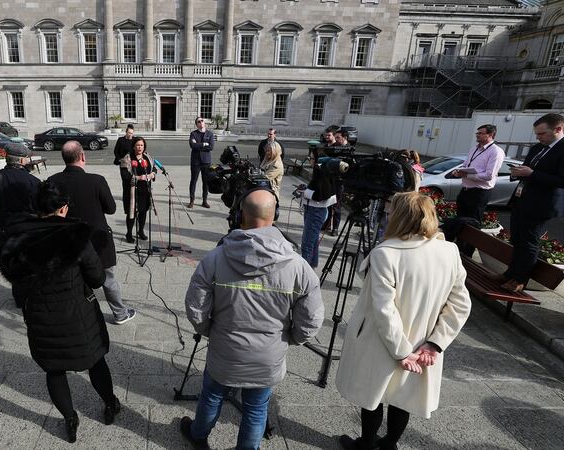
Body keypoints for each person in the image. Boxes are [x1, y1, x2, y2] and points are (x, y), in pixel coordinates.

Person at [180, 189, 325, 450]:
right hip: (268, 357)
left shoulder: (215, 258)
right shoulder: (298, 265)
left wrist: (210, 331)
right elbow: (311, 320)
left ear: (240, 215)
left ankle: (198, 436)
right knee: (256, 409)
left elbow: (196, 307)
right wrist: (289, 339)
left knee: (211, 396)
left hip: (224, 350)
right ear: (275, 215)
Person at [335, 191, 471, 450]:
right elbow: (461, 304)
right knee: (403, 396)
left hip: (382, 339)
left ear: (399, 217)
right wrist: (435, 343)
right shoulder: (449, 251)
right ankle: (389, 445)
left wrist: (401, 351)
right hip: (422, 342)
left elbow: (384, 309)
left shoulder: (386, 253)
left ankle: (365, 445)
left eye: (390, 211)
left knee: (372, 394)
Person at [0, 181, 121, 444]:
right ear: (63, 208)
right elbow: (97, 279)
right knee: (96, 361)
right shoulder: (74, 236)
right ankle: (110, 404)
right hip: (79, 315)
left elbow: (18, 290)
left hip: (41, 318)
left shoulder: (16, 238)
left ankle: (69, 418)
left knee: (54, 369)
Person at [49, 141, 137, 324]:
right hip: (97, 239)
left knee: (75, 278)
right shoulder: (96, 180)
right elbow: (111, 208)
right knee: (108, 277)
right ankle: (120, 314)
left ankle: (77, 313)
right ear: (82, 156)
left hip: (68, 240)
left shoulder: (53, 181)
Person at [498, 113, 564, 292]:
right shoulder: (538, 148)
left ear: (558, 129)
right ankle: (510, 273)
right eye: (537, 134)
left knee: (528, 242)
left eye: (542, 134)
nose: (538, 137)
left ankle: (519, 280)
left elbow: (561, 180)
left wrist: (531, 174)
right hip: (522, 199)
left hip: (542, 205)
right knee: (517, 239)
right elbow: (527, 169)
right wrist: (517, 172)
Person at [0, 142, 41, 308]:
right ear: (22, 161)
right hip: (25, 232)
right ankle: (30, 297)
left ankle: (19, 298)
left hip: (2, 232)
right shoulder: (33, 181)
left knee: (11, 267)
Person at [448, 124, 505, 228]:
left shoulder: (496, 151)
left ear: (490, 135)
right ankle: (460, 243)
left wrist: (467, 175)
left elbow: (489, 175)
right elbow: (466, 165)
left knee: (472, 224)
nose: (477, 135)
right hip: (465, 190)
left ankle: (469, 244)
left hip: (479, 193)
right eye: (477, 133)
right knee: (460, 222)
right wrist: (459, 171)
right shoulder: (474, 148)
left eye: (480, 133)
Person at [300, 158, 340, 268]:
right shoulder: (320, 173)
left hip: (316, 211)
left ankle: (305, 272)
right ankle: (312, 265)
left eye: (311, 158)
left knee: (307, 244)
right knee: (312, 241)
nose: (309, 160)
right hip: (313, 209)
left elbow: (322, 195)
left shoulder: (324, 174)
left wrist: (306, 192)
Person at [120, 136, 156, 242]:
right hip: (132, 191)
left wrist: (153, 174)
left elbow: (153, 167)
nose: (140, 147)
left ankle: (141, 231)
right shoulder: (127, 158)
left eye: (141, 145)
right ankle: (129, 233)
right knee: (132, 213)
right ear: (134, 147)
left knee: (143, 211)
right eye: (137, 145)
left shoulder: (147, 156)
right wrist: (138, 178)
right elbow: (124, 175)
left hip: (145, 190)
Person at [188, 116, 216, 209]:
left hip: (206, 162)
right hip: (195, 162)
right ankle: (192, 200)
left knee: (206, 182)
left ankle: (204, 201)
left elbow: (211, 147)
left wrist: (198, 145)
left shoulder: (210, 134)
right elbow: (192, 145)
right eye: (198, 122)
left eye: (202, 121)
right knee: (193, 181)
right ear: (196, 124)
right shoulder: (193, 134)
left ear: (204, 123)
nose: (200, 123)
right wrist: (204, 144)